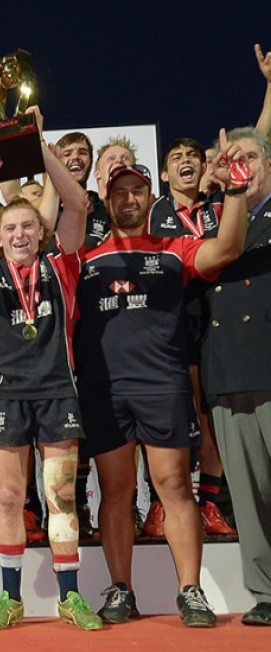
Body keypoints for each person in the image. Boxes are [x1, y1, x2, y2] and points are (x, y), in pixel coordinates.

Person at [78, 145, 249, 628]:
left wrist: (235, 188)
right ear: (105, 201)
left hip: (163, 384)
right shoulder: (86, 259)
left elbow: (229, 249)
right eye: (119, 192)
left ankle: (189, 590)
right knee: (115, 491)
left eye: (137, 190)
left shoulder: (173, 251)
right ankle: (120, 588)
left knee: (174, 486)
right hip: (104, 389)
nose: (129, 199)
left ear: (152, 198)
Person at [0, 107, 100, 631]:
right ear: (0, 236)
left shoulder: (60, 264)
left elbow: (79, 203)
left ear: (40, 233)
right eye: (9, 229)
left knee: (61, 496)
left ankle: (69, 597)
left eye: (27, 227)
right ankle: (11, 598)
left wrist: (37, 146)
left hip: (58, 391)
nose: (19, 234)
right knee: (12, 496)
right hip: (7, 395)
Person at [149, 137, 237, 539]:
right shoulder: (152, 213)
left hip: (216, 320)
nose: (185, 161)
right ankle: (159, 506)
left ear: (203, 168)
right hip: (168, 325)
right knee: (167, 419)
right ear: (164, 172)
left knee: (208, 417)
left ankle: (210, 505)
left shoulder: (219, 207)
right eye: (175, 157)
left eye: (192, 156)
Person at [201, 126, 271, 626]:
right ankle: (265, 590)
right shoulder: (215, 224)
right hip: (227, 371)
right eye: (234, 159)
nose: (243, 164)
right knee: (246, 494)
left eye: (251, 156)